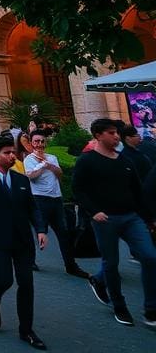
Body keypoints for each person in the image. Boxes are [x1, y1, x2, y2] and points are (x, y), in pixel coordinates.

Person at [73, 117, 156, 327]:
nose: (116, 136)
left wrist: (148, 218)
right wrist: (94, 212)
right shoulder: (87, 161)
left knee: (150, 257)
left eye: (117, 132)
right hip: (105, 219)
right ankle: (120, 306)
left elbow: (137, 192)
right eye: (111, 133)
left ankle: (151, 309)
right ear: (98, 135)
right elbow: (79, 190)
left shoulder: (125, 161)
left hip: (131, 217)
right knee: (111, 263)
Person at [0, 136, 48, 350]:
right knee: (4, 280)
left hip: (23, 240)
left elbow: (32, 208)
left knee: (26, 283)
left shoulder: (21, 180)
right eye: (6, 153)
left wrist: (41, 230)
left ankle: (27, 330)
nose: (12, 156)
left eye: (13, 152)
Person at [23, 130, 89, 278]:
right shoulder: (29, 159)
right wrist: (41, 166)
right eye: (36, 141)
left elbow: (59, 173)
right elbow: (31, 177)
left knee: (63, 233)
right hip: (39, 199)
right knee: (40, 231)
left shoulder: (52, 157)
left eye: (42, 141)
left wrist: (49, 165)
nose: (39, 144)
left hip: (56, 198)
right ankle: (29, 261)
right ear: (32, 143)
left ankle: (70, 265)